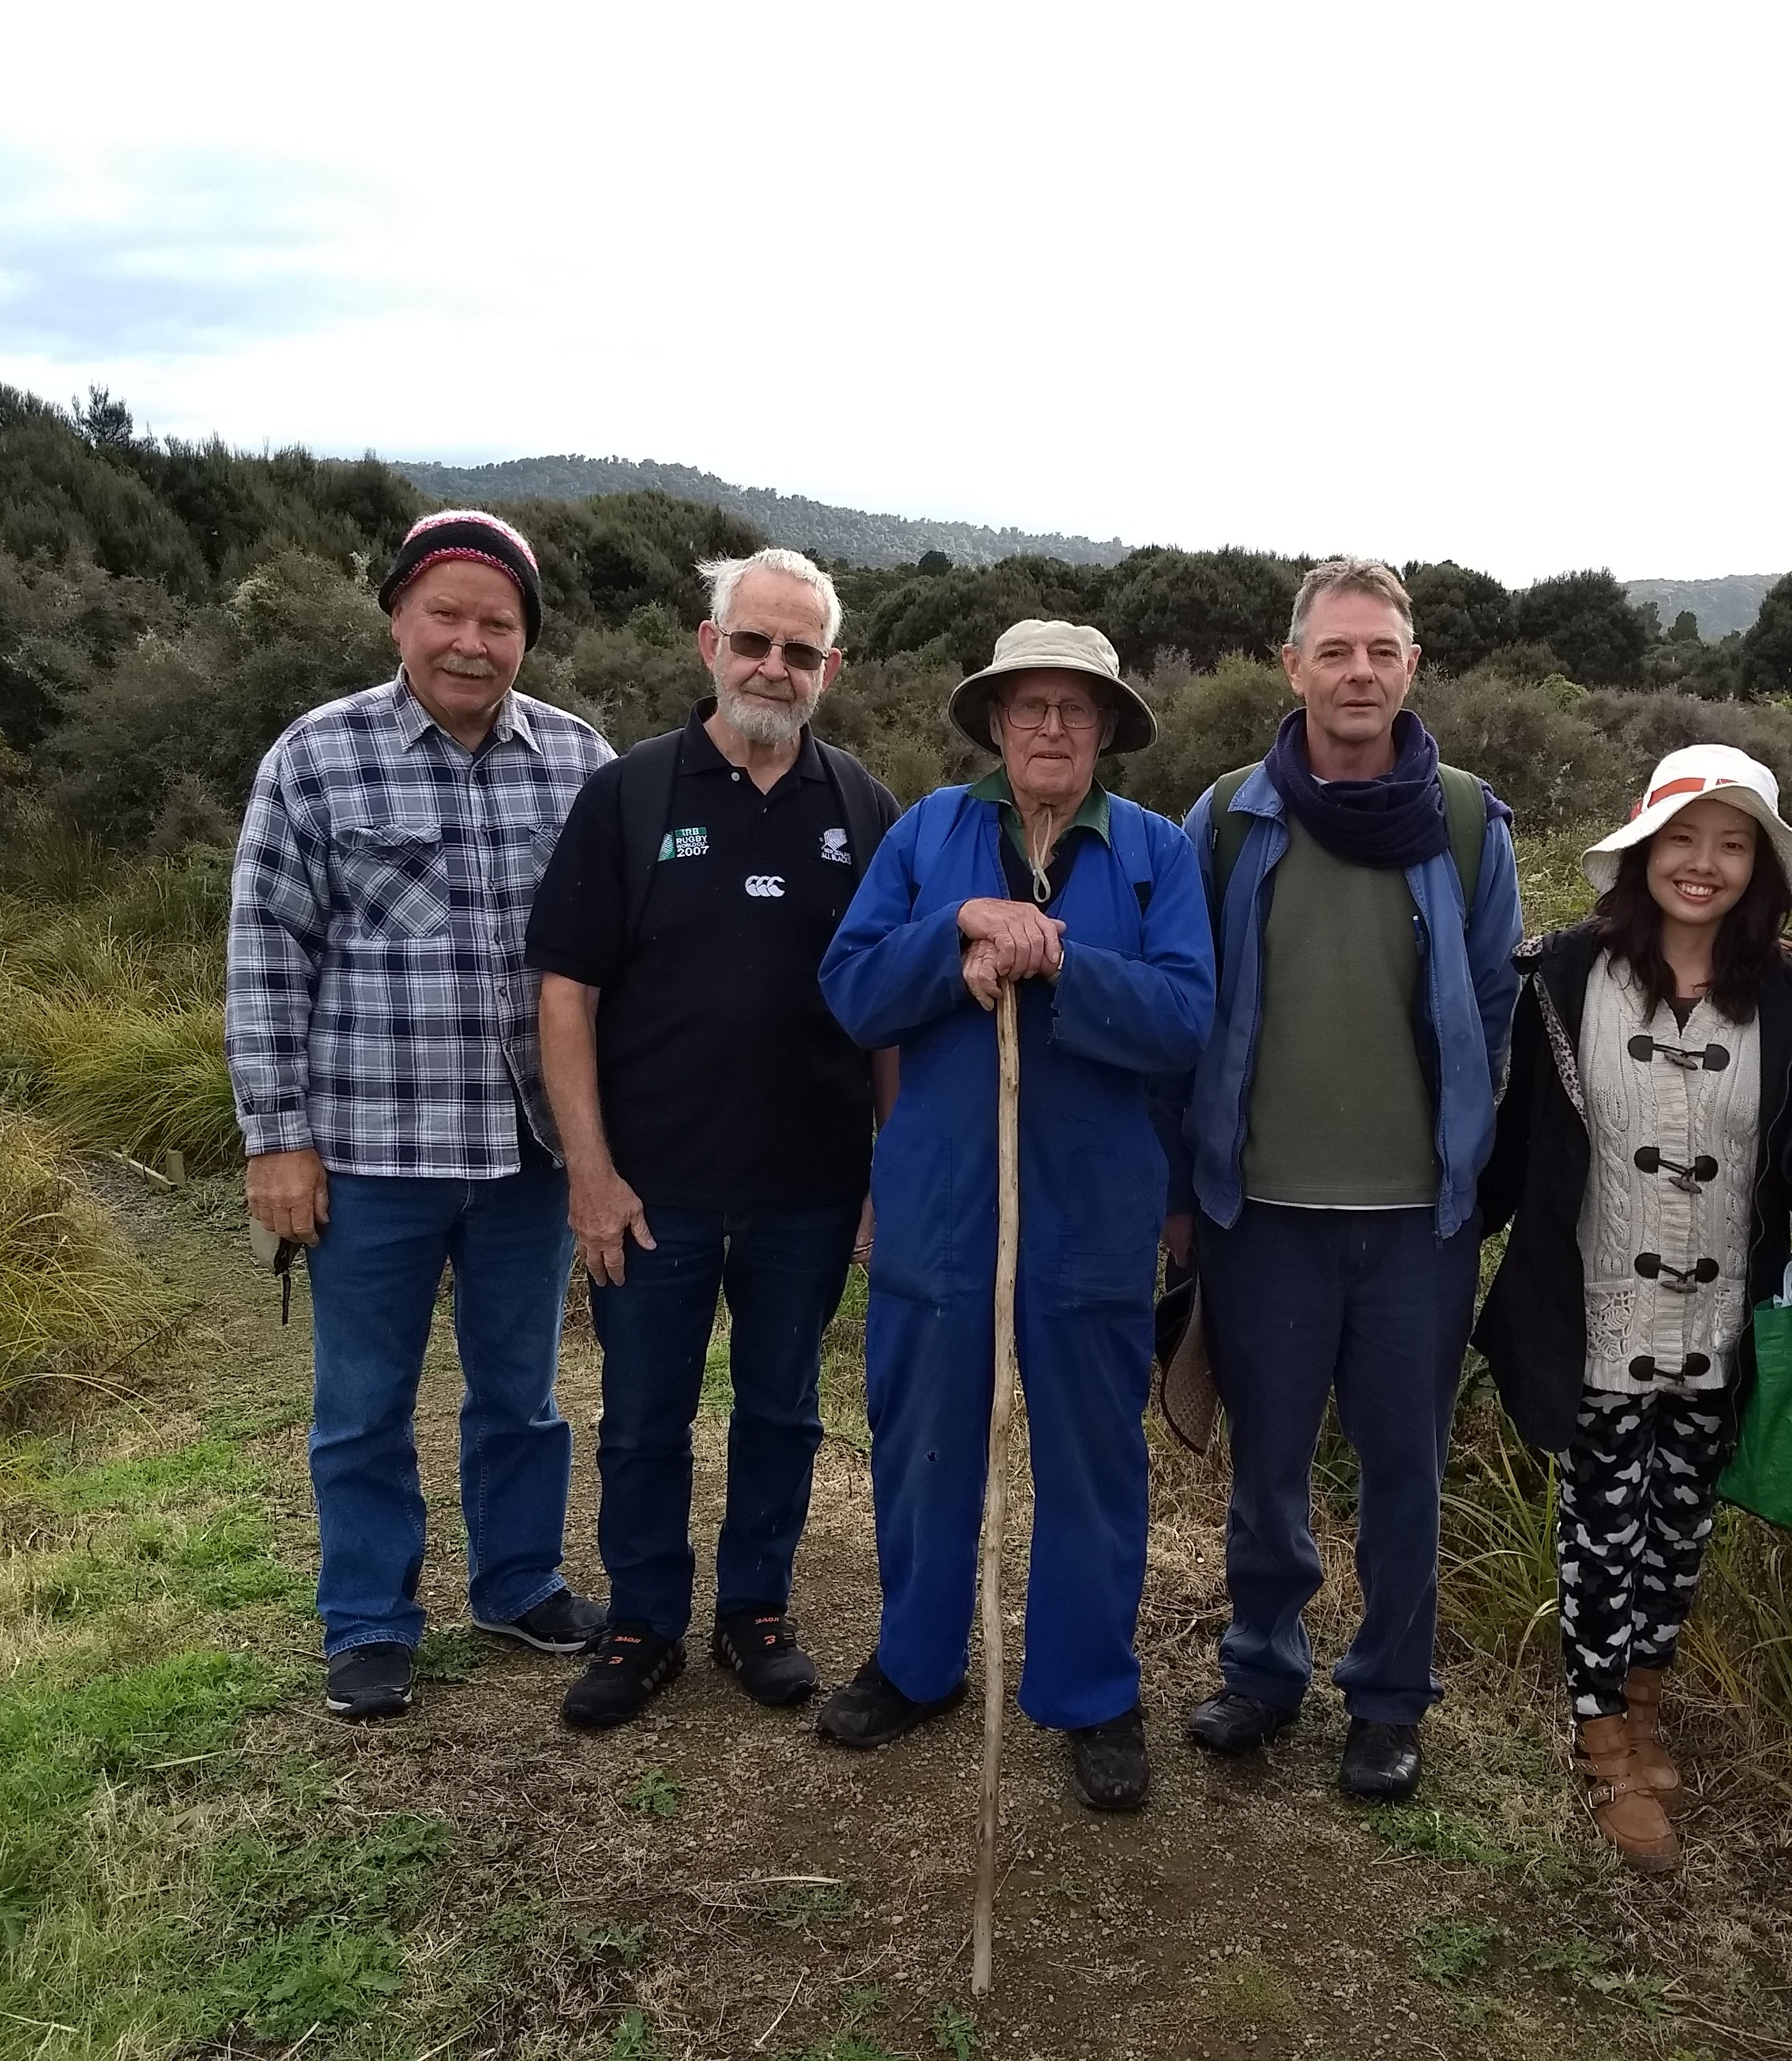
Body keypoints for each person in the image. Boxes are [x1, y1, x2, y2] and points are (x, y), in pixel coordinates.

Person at [815, 620, 1215, 1812]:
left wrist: (1058, 963)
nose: (1051, 729)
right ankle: (919, 1660)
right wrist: (956, 935)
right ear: (995, 721)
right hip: (940, 1198)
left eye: (1076, 710)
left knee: (1094, 1457)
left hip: (1093, 1208)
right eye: (1029, 707)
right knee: (925, 1435)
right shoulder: (927, 834)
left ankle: (1090, 1689)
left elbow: (1187, 1017)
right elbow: (849, 987)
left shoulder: (1151, 855)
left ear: (1106, 730)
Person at [228, 509, 613, 1722]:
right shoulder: (316, 758)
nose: (471, 641)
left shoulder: (578, 763)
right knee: (362, 1404)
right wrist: (276, 1138)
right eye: (446, 613)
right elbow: (264, 957)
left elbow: (618, 958)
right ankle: (371, 1622)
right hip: (371, 1150)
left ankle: (517, 1583)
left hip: (528, 1154)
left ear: (526, 639)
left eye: (498, 622)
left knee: (523, 1393)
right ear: (398, 615)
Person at [525, 548, 901, 1730]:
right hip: (653, 1188)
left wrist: (886, 1171)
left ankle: (757, 1611)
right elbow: (565, 994)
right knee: (645, 1412)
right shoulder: (631, 795)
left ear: (829, 668)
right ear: (710, 647)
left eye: (800, 652)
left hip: (810, 1183)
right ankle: (643, 1624)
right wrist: (588, 1171)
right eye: (755, 644)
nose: (774, 669)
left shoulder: (863, 807)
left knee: (784, 1410)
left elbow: (888, 1010)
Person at [1471, 745, 1792, 1869]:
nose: (1705, 865)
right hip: (1596, 1305)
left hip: (1719, 1321)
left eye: (1733, 844)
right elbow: (1511, 1146)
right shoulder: (1562, 978)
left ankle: (1646, 1696)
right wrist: (1448, 1250)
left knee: (1682, 1528)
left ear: (1761, 867)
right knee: (1599, 1527)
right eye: (1684, 839)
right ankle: (1601, 1732)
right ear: (1643, 850)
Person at [1171, 557, 1524, 1802]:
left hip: (1418, 1221)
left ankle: (1388, 1698)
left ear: (1412, 665)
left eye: (1381, 650)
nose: (1359, 672)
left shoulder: (1471, 821)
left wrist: (1476, 1171)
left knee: (1403, 1474)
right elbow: (1191, 1009)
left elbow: (1493, 1008)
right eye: (1335, 651)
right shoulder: (1223, 820)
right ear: (1293, 667)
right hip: (1260, 1211)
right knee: (1266, 1465)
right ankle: (1262, 1672)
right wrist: (1184, 1193)